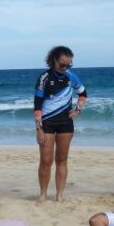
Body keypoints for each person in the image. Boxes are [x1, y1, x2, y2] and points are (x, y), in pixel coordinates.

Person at [33, 46, 87, 202]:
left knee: (62, 160)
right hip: (47, 123)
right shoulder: (44, 78)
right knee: (46, 161)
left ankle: (59, 195)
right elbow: (37, 106)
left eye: (69, 64)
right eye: (62, 64)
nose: (65, 67)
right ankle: (43, 194)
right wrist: (39, 129)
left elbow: (83, 94)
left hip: (65, 123)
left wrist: (77, 110)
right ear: (53, 60)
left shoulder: (71, 77)